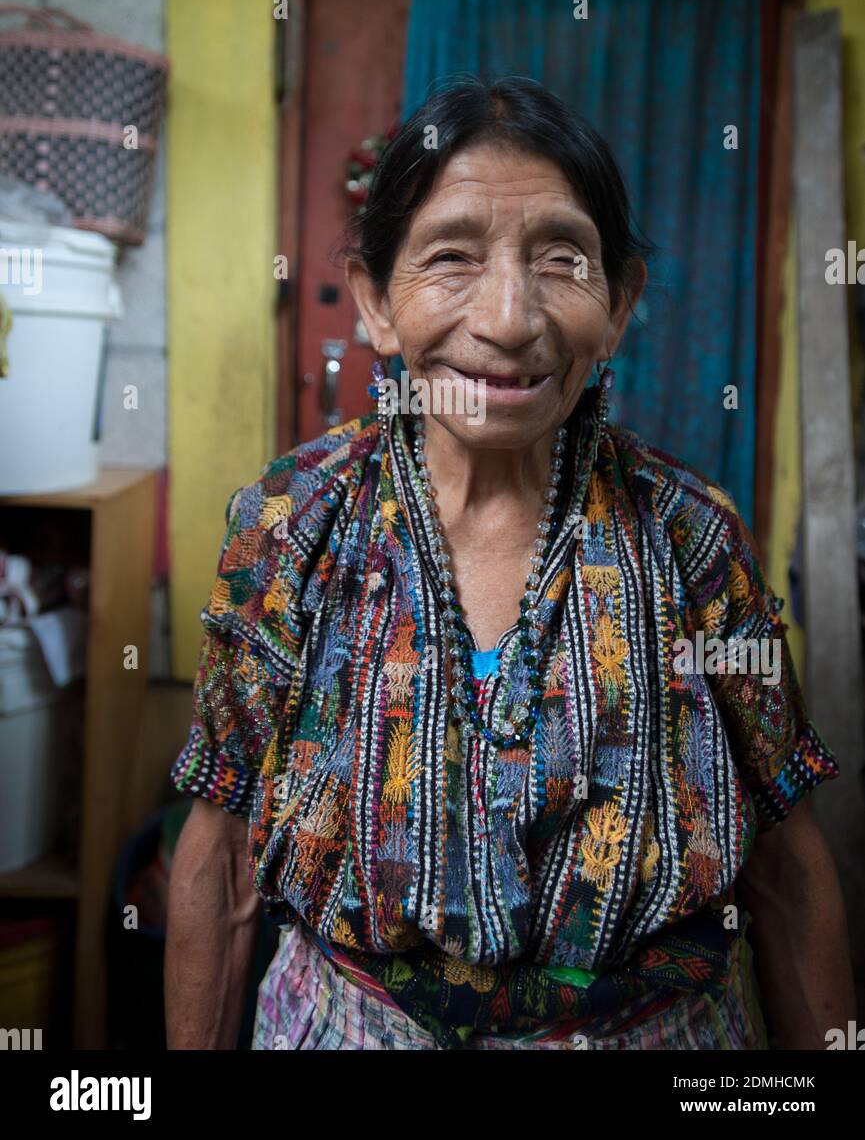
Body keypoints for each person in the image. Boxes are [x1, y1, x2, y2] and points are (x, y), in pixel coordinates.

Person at [165, 76, 853, 1050]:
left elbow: (783, 868)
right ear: (376, 301)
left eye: (561, 260)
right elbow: (225, 856)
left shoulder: (692, 538)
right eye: (450, 257)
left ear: (618, 304)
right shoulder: (294, 524)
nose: (507, 318)